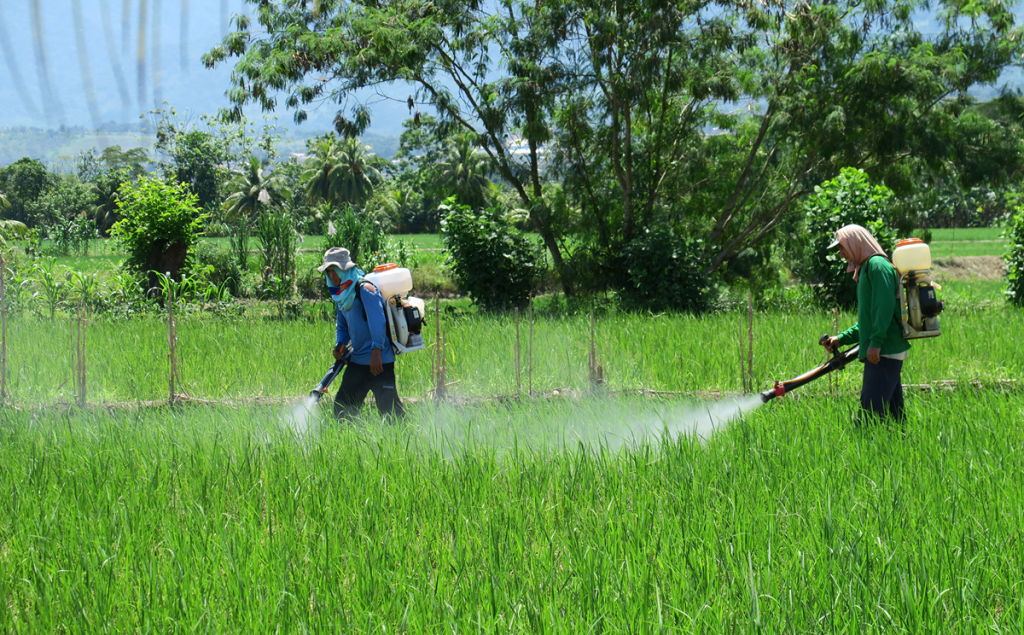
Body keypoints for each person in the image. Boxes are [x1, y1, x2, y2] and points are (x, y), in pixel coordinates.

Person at [820, 224, 910, 423]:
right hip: (883, 350)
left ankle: (870, 442)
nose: (841, 254)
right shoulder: (866, 268)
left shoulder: (877, 265)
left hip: (884, 351)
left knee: (870, 418)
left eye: (842, 248)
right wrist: (841, 339)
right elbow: (868, 320)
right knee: (894, 418)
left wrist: (876, 342)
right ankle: (900, 442)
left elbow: (884, 308)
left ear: (856, 243)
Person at [318, 247, 405, 421]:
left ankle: (404, 436)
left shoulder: (365, 289)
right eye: (329, 272)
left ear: (345, 269)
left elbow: (378, 322)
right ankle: (346, 437)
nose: (332, 275)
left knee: (390, 412)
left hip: (379, 362)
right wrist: (340, 345)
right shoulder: (340, 294)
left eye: (335, 270)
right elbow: (342, 326)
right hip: (358, 360)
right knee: (342, 410)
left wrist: (376, 352)